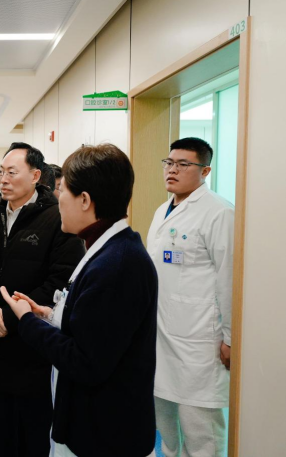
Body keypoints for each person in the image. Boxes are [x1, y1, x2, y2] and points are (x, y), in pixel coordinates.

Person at [0, 144, 158, 457]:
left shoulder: (116, 265)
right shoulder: (108, 249)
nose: (57, 199)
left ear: (84, 200)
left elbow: (85, 362)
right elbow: (95, 328)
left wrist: (27, 321)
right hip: (99, 424)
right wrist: (48, 316)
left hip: (107, 434)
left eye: (63, 190)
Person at [0, 142, 85, 457]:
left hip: (32, 346)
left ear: (35, 176)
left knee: (32, 435)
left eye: (12, 172)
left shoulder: (58, 217)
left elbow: (60, 281)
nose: (3, 179)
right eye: (1, 172)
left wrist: (10, 317)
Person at [147, 137, 234, 457]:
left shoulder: (219, 212)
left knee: (201, 434)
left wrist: (231, 338)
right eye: (169, 163)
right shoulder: (162, 210)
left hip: (201, 342)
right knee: (166, 430)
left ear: (205, 171)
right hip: (163, 336)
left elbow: (229, 278)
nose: (172, 170)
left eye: (183, 164)